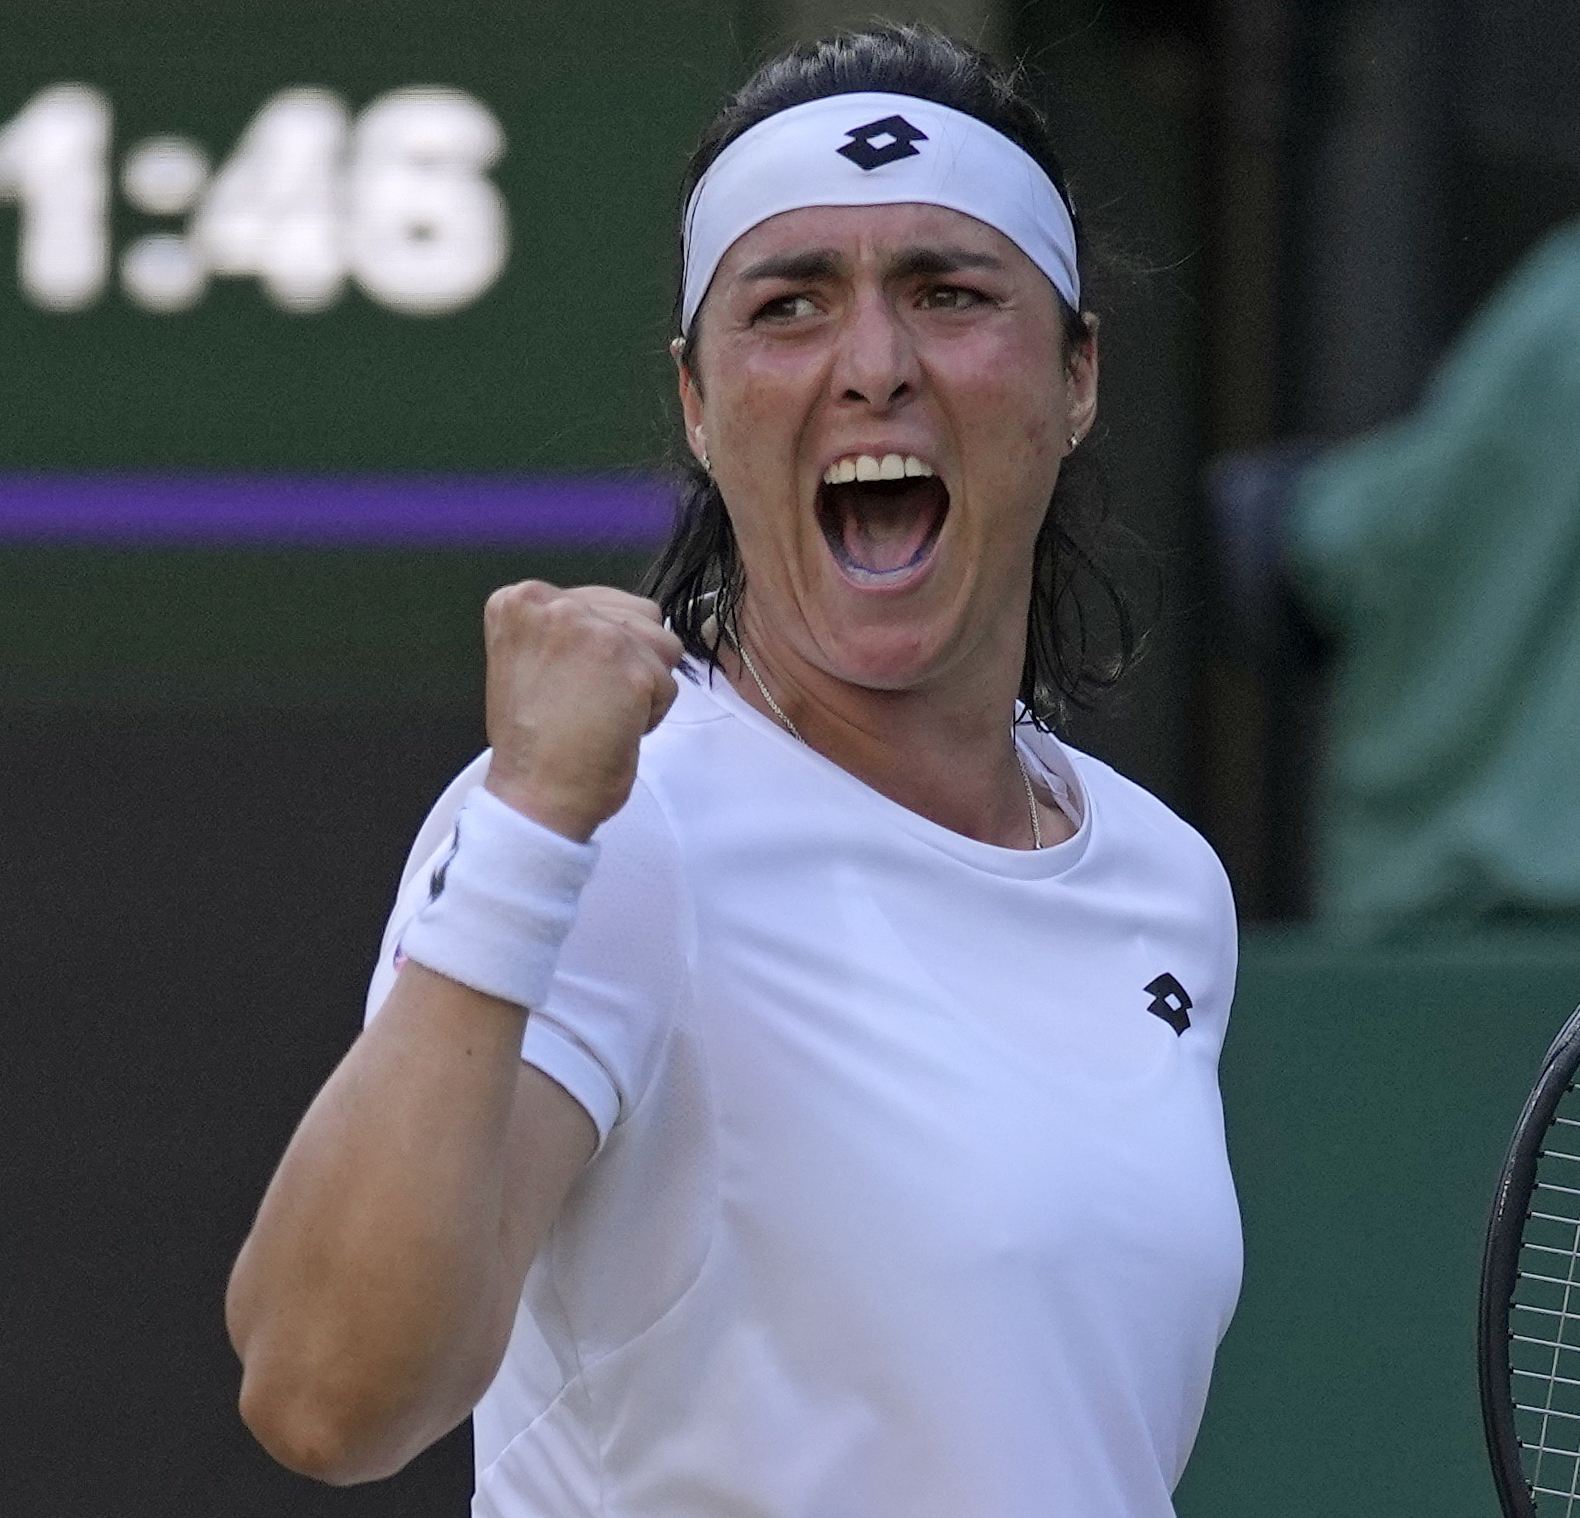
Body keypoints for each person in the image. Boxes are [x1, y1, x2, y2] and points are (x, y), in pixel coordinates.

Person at [224, 26, 1241, 1517]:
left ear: (1075, 375)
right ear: (699, 404)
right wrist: (529, 826)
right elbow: (325, 1392)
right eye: (791, 305)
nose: (874, 366)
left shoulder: (1164, 884)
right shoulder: (612, 829)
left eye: (949, 293)